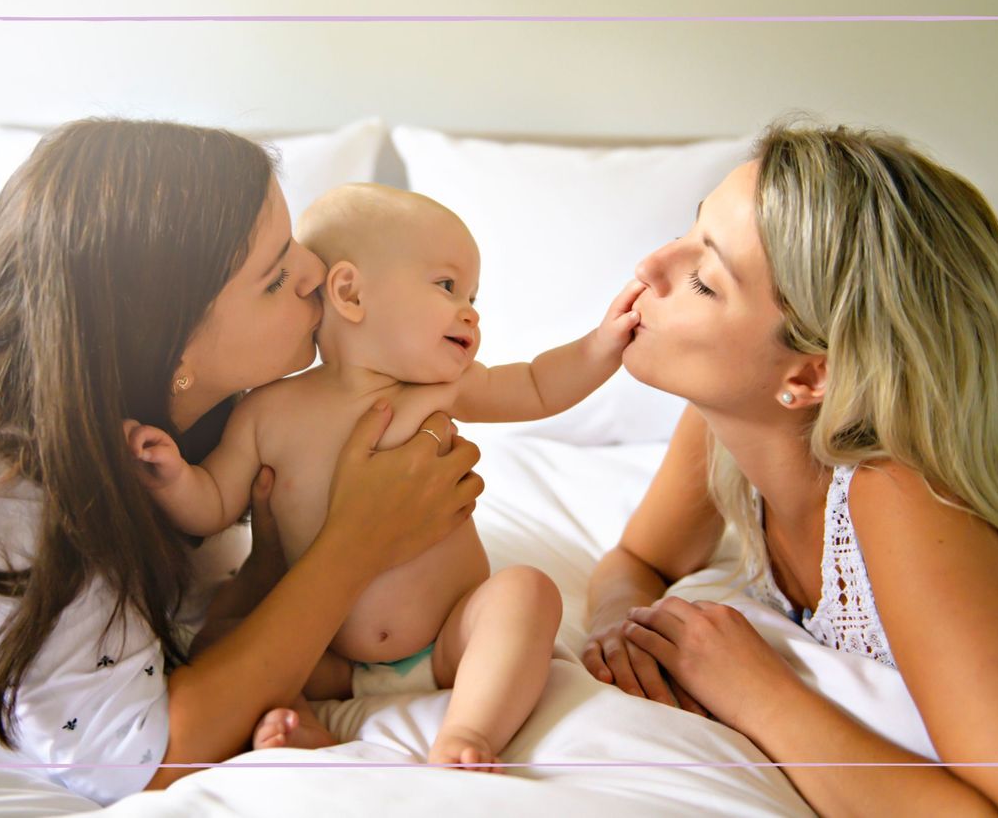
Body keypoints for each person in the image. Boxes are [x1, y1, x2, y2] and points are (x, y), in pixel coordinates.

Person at [0, 119, 485, 805]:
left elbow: (165, 625)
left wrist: (277, 565)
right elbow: (147, 754)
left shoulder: (166, 428)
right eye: (276, 278)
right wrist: (355, 544)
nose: (314, 272)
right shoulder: (3, 497)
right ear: (171, 349)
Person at [583, 121, 998, 815]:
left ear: (811, 374)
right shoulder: (726, 423)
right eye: (690, 229)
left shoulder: (902, 499)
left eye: (703, 279)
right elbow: (638, 557)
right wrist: (619, 625)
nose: (651, 265)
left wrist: (757, 691)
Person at [124, 183, 641, 769]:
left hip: (450, 639)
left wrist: (603, 345)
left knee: (526, 593)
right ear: (349, 292)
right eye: (448, 286)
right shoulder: (266, 411)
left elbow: (538, 385)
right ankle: (303, 724)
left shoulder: (442, 388)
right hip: (329, 657)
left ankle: (468, 730)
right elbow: (213, 502)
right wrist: (170, 477)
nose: (470, 310)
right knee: (218, 642)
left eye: (473, 295)